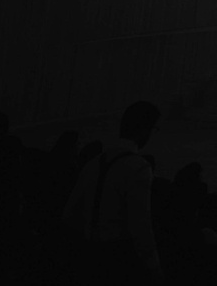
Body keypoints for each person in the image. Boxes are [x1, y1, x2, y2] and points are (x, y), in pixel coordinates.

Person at [61, 100, 161, 272]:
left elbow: (70, 215)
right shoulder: (139, 168)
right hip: (116, 258)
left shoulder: (94, 163)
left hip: (85, 254)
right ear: (145, 130)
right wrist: (155, 269)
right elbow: (140, 226)